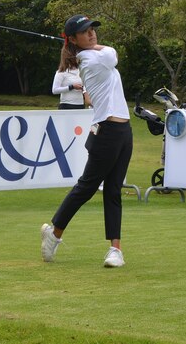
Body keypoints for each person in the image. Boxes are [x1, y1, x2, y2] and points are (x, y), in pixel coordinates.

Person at [41, 14, 133, 268]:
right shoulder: (89, 60)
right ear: (73, 39)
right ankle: (55, 233)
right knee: (87, 187)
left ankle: (115, 250)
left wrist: (83, 44)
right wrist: (88, 47)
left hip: (124, 131)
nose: (92, 33)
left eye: (92, 29)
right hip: (106, 131)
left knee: (114, 190)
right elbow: (112, 54)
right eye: (85, 31)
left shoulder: (89, 54)